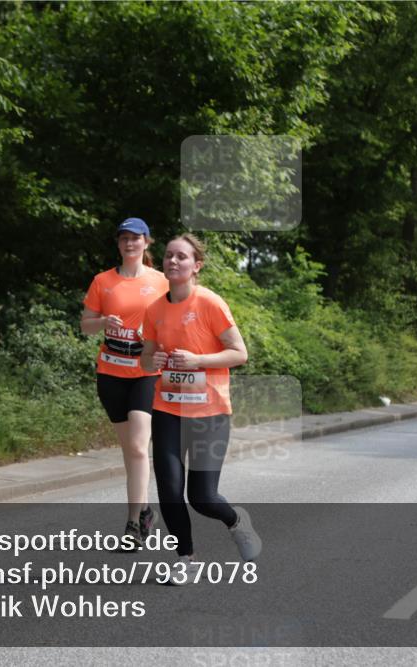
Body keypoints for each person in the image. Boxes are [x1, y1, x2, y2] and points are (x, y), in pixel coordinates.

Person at [140, 233, 261, 584]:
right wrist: (156, 358)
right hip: (167, 410)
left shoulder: (209, 303)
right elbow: (146, 362)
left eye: (181, 257)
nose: (173, 261)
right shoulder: (154, 310)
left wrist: (198, 360)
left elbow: (239, 353)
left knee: (202, 496)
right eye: (168, 256)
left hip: (210, 414)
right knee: (169, 492)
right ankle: (186, 558)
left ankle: (235, 520)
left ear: (197, 266)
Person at [81, 218, 168, 545]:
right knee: (128, 449)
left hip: (146, 371)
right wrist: (103, 320)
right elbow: (86, 325)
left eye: (136, 238)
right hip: (111, 371)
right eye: (124, 238)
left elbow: (172, 319)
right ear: (118, 244)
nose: (130, 243)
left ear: (147, 242)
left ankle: (133, 522)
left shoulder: (161, 281)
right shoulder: (103, 281)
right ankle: (145, 510)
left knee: (136, 445)